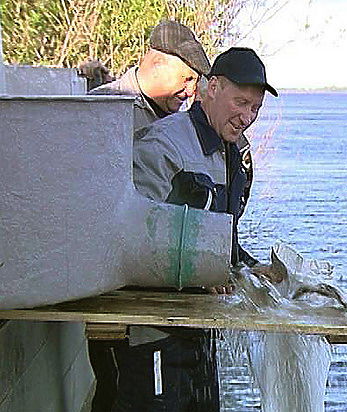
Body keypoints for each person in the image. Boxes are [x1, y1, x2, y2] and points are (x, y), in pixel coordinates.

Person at [111, 47, 277, 411]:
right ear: (211, 88)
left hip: (200, 328)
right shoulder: (163, 144)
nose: (247, 116)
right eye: (240, 102)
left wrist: (248, 269)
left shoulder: (234, 153)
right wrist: (202, 270)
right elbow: (127, 236)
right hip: (152, 332)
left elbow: (221, 238)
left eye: (255, 109)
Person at [86, 20, 211, 412]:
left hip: (162, 295)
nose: (191, 90)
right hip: (114, 299)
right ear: (155, 62)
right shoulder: (105, 109)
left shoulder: (183, 123)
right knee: (117, 392)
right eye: (187, 77)